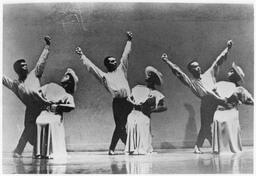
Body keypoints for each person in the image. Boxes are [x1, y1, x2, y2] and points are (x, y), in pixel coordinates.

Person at [161, 40, 233, 153]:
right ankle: (199, 146)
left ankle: (212, 145)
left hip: (218, 102)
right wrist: (167, 61)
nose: (198, 68)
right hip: (207, 103)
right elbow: (179, 72)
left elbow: (218, 61)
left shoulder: (208, 74)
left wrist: (227, 48)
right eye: (195, 67)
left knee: (213, 124)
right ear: (191, 70)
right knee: (206, 125)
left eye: (198, 66)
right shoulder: (192, 82)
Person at [75, 31, 133, 155]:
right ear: (107, 65)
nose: (114, 62)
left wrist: (129, 41)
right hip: (118, 103)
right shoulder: (104, 76)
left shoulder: (122, 70)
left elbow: (125, 55)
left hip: (129, 101)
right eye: (111, 61)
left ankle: (127, 146)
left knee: (123, 126)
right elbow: (92, 68)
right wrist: (82, 56)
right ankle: (120, 147)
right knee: (120, 126)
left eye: (114, 60)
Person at [2, 36, 52, 158]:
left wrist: (47, 46)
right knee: (28, 130)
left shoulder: (34, 74)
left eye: (25, 65)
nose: (25, 67)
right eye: (22, 66)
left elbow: (41, 61)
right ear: (17, 69)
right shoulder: (16, 84)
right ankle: (18, 151)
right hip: (30, 110)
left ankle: (44, 151)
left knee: (44, 128)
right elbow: (3, 78)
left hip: (43, 108)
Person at [36, 68, 78, 159]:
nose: (65, 76)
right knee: (38, 121)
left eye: (68, 76)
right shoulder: (51, 85)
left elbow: (72, 106)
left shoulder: (68, 95)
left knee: (50, 122)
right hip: (45, 112)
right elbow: (37, 92)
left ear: (70, 82)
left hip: (55, 115)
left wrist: (58, 106)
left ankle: (51, 152)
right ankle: (39, 152)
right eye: (65, 75)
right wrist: (44, 101)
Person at [212, 62, 253, 153]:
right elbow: (211, 95)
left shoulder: (239, 89)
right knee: (219, 121)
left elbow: (251, 101)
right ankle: (220, 150)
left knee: (228, 125)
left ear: (236, 76)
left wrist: (238, 101)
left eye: (231, 71)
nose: (229, 73)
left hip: (230, 113)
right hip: (219, 112)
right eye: (230, 71)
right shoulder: (220, 84)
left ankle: (230, 149)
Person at [125, 66, 167, 155]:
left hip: (143, 117)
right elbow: (129, 100)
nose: (148, 77)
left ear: (154, 81)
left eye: (151, 77)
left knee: (143, 136)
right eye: (148, 76)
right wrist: (133, 103)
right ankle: (134, 150)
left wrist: (151, 110)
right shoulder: (138, 88)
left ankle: (143, 150)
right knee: (133, 132)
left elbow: (163, 106)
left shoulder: (156, 94)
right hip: (133, 115)